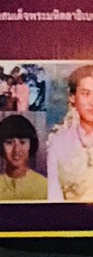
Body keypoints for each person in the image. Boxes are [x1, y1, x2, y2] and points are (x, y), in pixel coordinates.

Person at [47, 62, 93, 202]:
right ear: (72, 97)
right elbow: (54, 196)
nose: (92, 102)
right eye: (86, 94)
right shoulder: (58, 143)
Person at [0, 114, 48, 201]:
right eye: (9, 142)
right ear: (0, 145)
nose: (16, 150)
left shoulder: (43, 185)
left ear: (31, 145)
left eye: (22, 142)